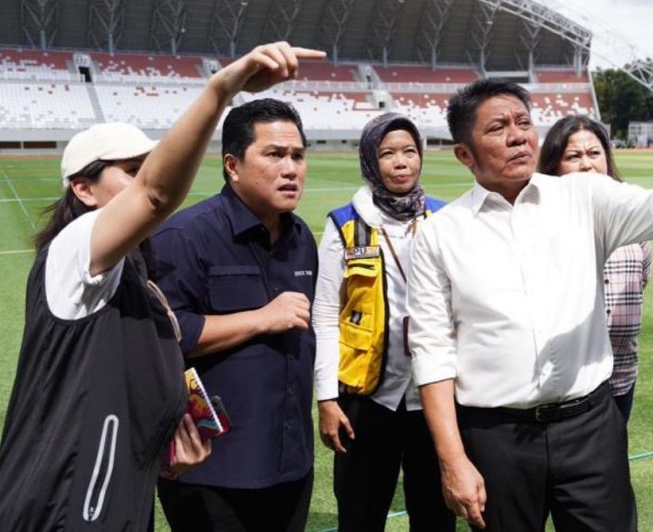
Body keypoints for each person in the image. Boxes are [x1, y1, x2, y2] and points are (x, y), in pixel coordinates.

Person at [0, 41, 323, 532]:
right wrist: (223, 86)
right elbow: (156, 195)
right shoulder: (72, 252)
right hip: (62, 500)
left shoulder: (134, 279)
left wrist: (162, 451)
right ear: (83, 190)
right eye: (130, 172)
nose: (143, 182)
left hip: (115, 492)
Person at [406, 74, 653, 532]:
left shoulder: (583, 195)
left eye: (523, 122)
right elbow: (431, 351)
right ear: (464, 154)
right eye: (497, 128)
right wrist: (452, 459)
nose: (517, 136)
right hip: (494, 436)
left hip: (589, 426)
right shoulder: (439, 233)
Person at [151, 96, 320, 532]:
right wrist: (262, 318)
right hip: (212, 471)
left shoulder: (301, 238)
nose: (291, 169)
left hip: (290, 462)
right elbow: (164, 337)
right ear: (232, 164)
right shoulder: (184, 237)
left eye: (298, 156)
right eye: (274, 155)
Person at [312, 112, 456, 532]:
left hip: (435, 395)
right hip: (367, 397)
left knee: (435, 513)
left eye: (410, 151)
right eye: (388, 153)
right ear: (370, 161)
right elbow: (324, 315)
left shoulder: (445, 220)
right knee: (360, 512)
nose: (401, 162)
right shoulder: (344, 225)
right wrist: (326, 399)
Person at [538, 115, 652, 422]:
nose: (586, 165)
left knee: (612, 464)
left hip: (621, 375)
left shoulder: (635, 221)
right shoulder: (541, 225)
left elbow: (641, 281)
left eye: (594, 153)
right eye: (573, 156)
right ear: (553, 167)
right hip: (567, 383)